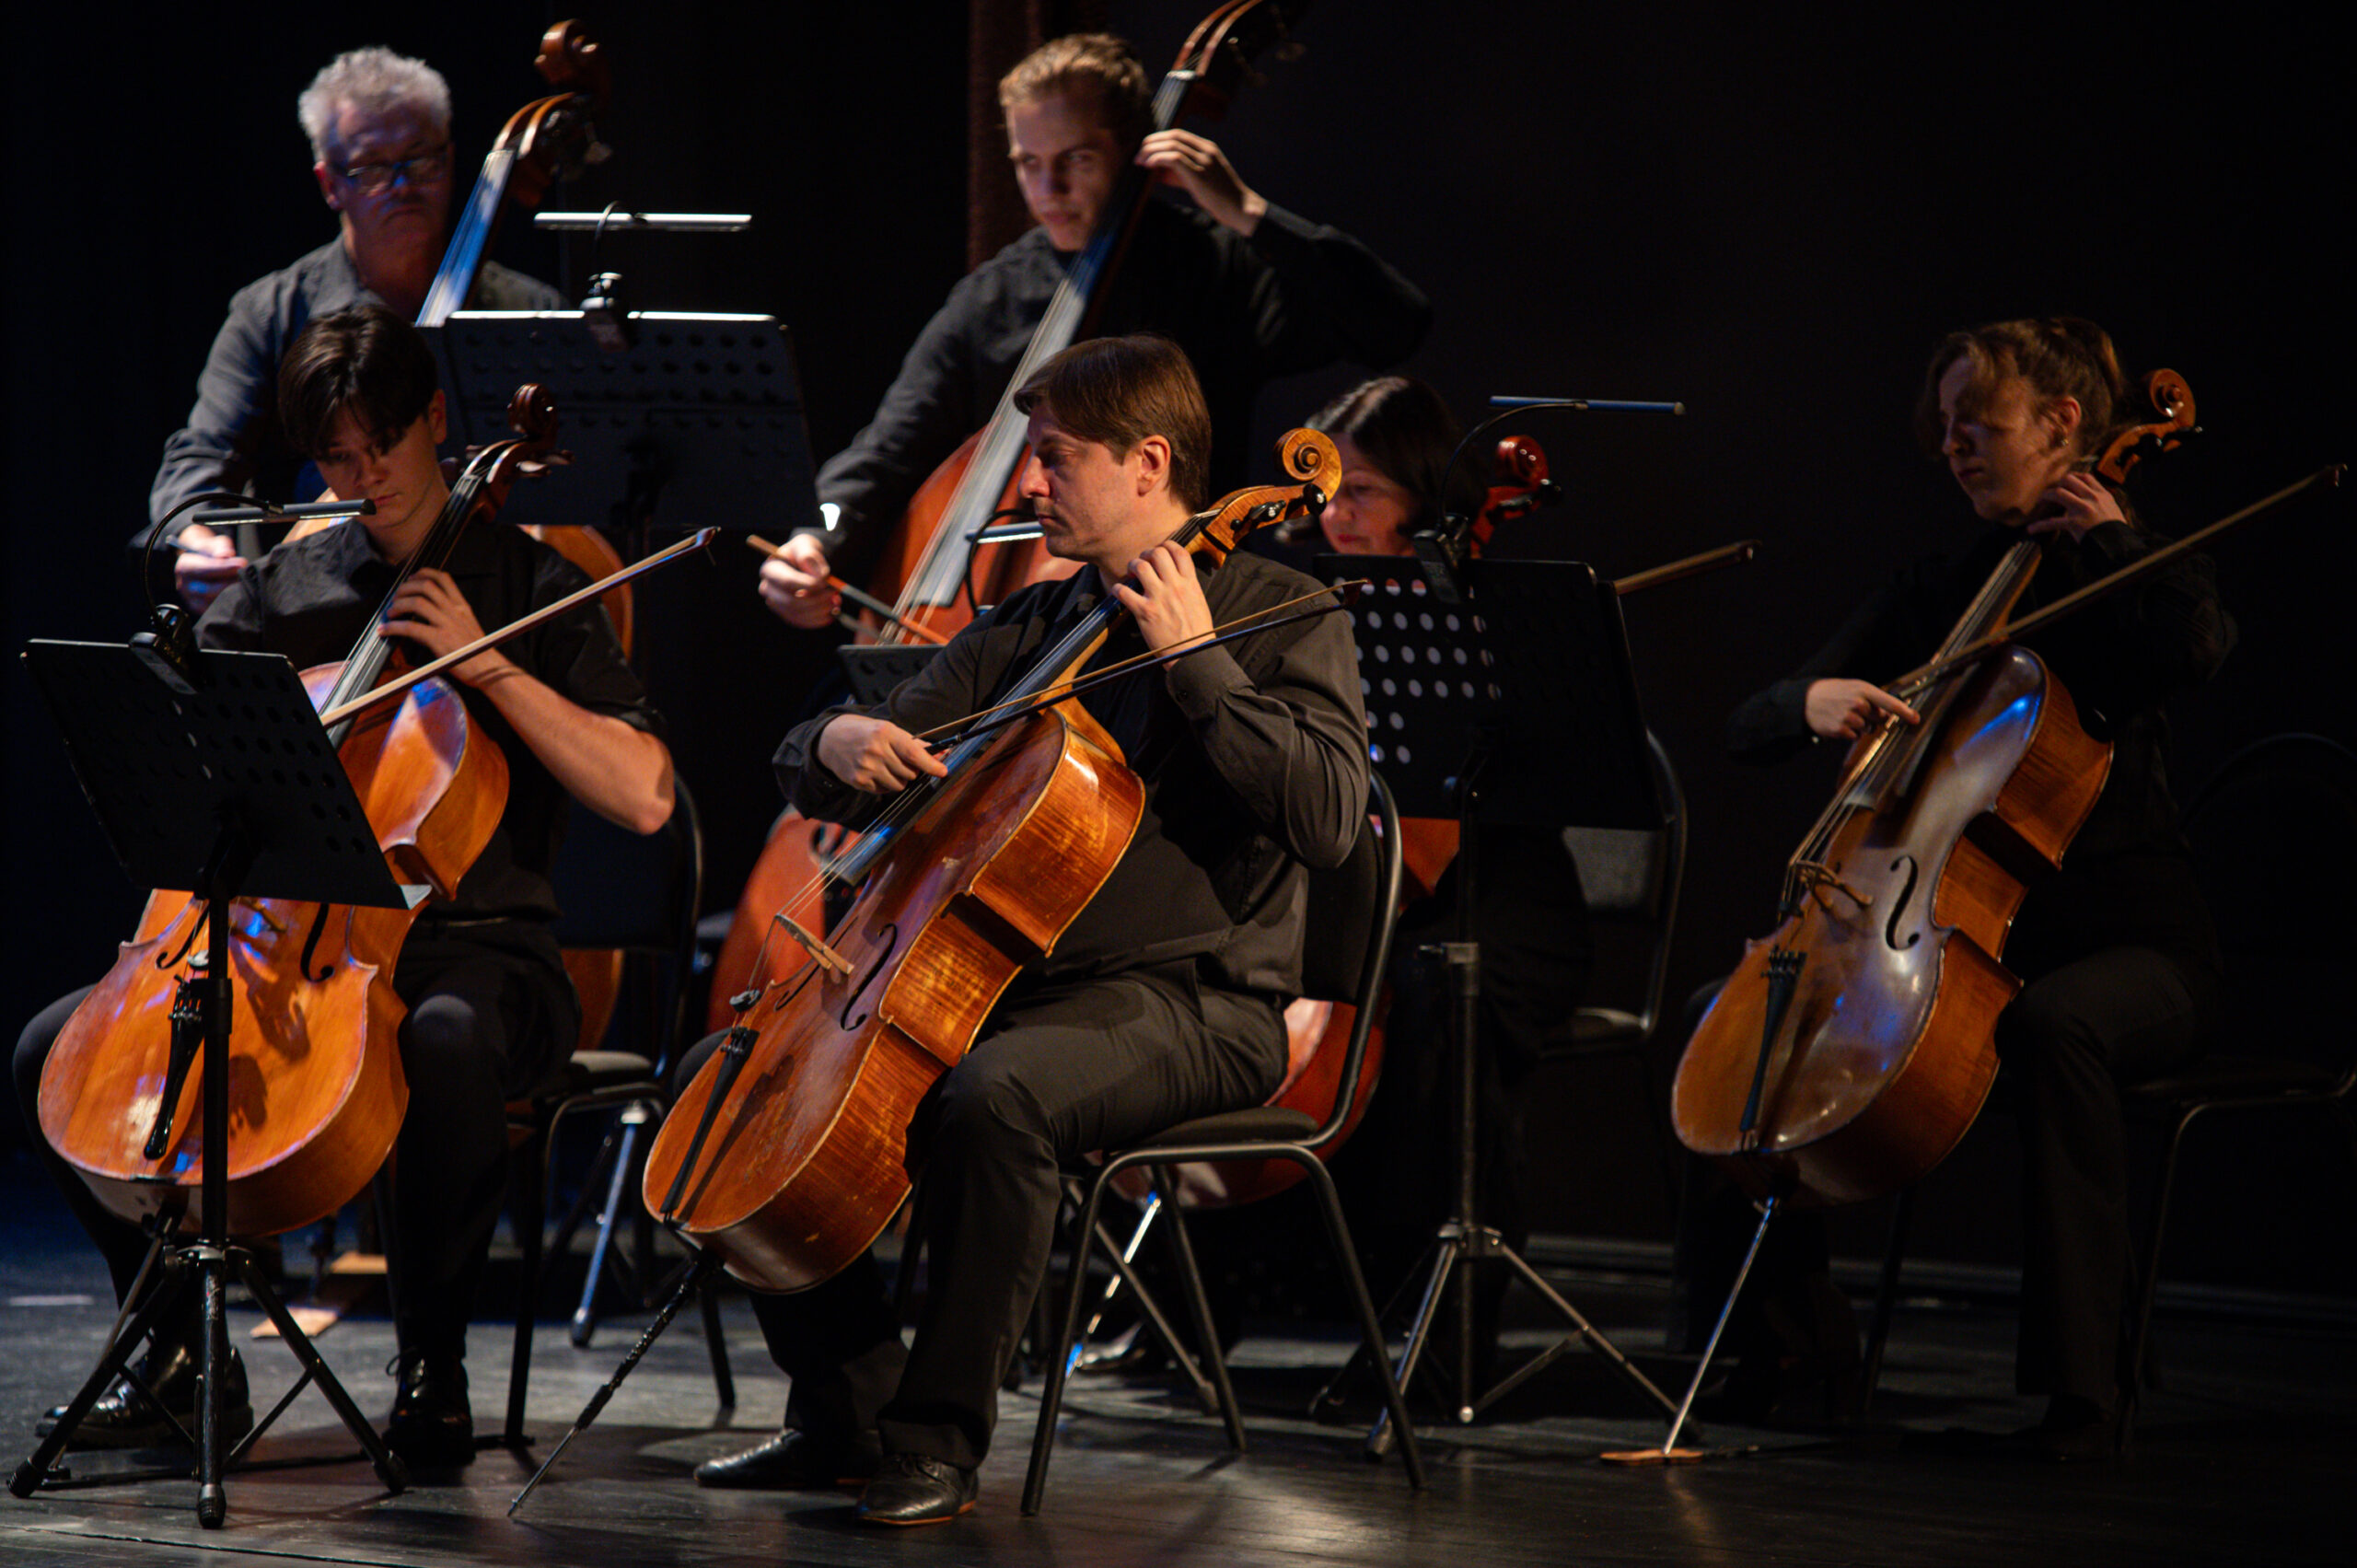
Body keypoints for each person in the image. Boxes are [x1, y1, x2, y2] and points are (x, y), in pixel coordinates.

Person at [689, 334, 1368, 1524]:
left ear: (1149, 461)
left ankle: (937, 1436)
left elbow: (1328, 816)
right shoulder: (1032, 626)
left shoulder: (1279, 608)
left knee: (995, 1095)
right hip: (1000, 987)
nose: (1029, 485)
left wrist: (1195, 664)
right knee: (723, 1080)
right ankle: (841, 1401)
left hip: (1199, 1003)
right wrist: (832, 744)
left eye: (1054, 459)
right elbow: (836, 754)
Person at [17, 304, 672, 1468]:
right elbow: (181, 741)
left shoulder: (531, 582)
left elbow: (647, 794)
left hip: (484, 952)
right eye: (335, 457)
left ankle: (432, 1366)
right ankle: (178, 1344)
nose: (364, 478)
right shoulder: (291, 584)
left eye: (383, 447)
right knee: (46, 1053)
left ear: (436, 421)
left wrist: (486, 664)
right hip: (285, 943)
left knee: (447, 1037)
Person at [1713, 316, 2235, 1456]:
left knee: (2057, 1025)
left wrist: (2112, 542)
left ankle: (2082, 1393)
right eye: (1942, 427)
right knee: (1750, 1024)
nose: (1951, 445)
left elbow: (2195, 645)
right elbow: (1752, 718)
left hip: (2142, 952)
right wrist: (1810, 702)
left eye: (1976, 422)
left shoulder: (2128, 566)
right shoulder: (1943, 590)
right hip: (1969, 946)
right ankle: (1788, 1348)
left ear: (2060, 426)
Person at [757, 31, 1430, 630]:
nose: (1047, 187)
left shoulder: (1209, 269)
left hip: (1188, 616)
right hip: (1008, 625)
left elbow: (1394, 323)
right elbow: (887, 448)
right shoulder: (993, 296)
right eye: (1027, 162)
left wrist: (1249, 213)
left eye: (1075, 159)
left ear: (1136, 149)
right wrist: (816, 539)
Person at [155, 46, 564, 610]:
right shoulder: (272, 312)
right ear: (329, 183)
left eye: (421, 160)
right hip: (328, 606)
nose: (402, 186)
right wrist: (196, 539)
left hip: (500, 604)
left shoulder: (530, 312)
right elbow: (202, 455)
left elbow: (585, 478)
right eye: (372, 168)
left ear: (451, 159)